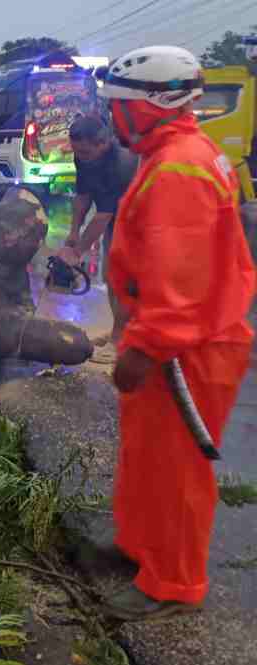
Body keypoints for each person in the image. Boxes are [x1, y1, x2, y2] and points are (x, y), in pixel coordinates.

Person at [98, 45, 255, 621]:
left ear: (150, 106)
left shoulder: (177, 168)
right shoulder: (177, 153)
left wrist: (144, 347)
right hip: (178, 338)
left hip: (187, 347)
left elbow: (179, 279)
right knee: (146, 457)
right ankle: (142, 552)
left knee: (177, 471)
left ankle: (171, 584)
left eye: (118, 106)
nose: (112, 116)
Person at [58, 115, 139, 357]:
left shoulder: (121, 162)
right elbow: (83, 195)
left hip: (139, 218)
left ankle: (121, 340)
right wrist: (73, 232)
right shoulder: (84, 156)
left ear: (102, 143)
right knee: (110, 276)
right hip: (116, 215)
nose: (80, 157)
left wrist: (77, 252)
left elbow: (102, 216)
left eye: (84, 152)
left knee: (125, 278)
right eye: (76, 152)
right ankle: (119, 331)